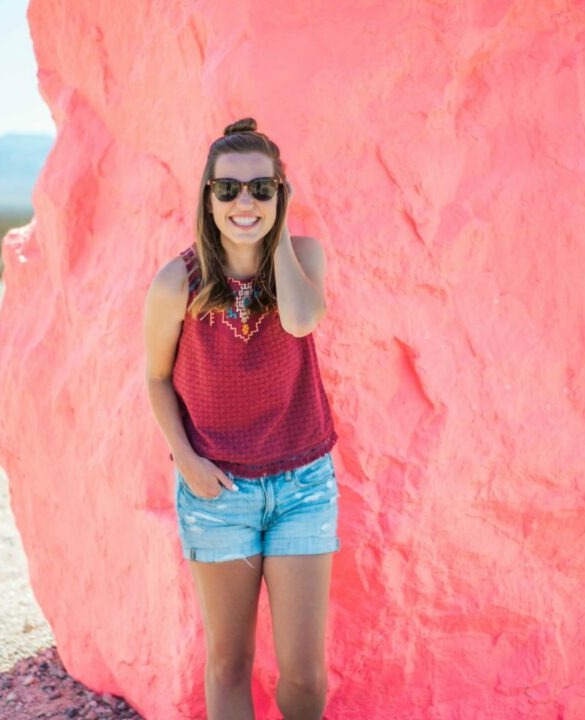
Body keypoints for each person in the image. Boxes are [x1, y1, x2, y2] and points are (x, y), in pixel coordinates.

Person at [143, 116, 340, 720]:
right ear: (208, 198)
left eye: (261, 187)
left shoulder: (303, 257)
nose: (244, 201)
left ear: (281, 192)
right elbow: (156, 378)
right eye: (227, 189)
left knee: (304, 679)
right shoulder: (178, 281)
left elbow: (301, 320)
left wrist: (275, 235)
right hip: (217, 490)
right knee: (230, 664)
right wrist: (187, 461)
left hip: (304, 484)